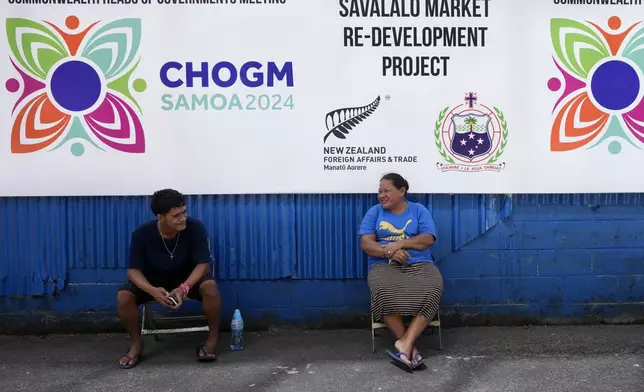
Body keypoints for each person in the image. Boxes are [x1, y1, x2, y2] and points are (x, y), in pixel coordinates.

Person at [116, 189, 221, 368]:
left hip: (187, 280)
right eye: (176, 216)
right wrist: (152, 291)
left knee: (210, 286)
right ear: (160, 217)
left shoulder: (195, 227)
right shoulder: (142, 233)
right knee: (124, 296)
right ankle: (136, 344)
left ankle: (212, 341)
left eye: (184, 212)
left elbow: (203, 265)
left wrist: (183, 288)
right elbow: (133, 271)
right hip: (154, 283)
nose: (183, 218)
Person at [358, 173, 443, 372]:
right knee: (382, 291)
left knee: (434, 288)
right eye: (380, 191)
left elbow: (428, 238)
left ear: (402, 191)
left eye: (386, 191)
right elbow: (366, 243)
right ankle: (409, 347)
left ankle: (405, 344)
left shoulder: (418, 210)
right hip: (383, 265)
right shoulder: (375, 212)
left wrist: (400, 244)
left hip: (420, 263)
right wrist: (388, 251)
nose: (381, 195)